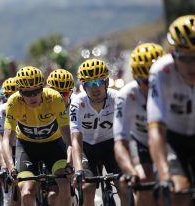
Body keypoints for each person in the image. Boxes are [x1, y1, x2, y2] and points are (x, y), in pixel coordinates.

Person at [2, 66, 73, 206]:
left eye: (36, 91)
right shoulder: (13, 102)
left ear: (42, 88)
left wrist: (70, 163)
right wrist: (10, 167)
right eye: (27, 93)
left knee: (64, 185)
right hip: (27, 148)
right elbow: (6, 140)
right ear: (20, 91)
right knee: (27, 193)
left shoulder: (54, 98)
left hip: (53, 145)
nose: (32, 96)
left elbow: (68, 138)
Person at [147, 15, 195, 206]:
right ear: (173, 54)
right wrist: (165, 174)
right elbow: (155, 129)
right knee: (178, 192)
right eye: (185, 58)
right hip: (173, 140)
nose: (193, 65)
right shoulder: (161, 72)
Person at [113, 43, 165, 206]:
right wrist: (130, 171)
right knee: (143, 180)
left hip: (172, 141)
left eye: (156, 80)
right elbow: (120, 142)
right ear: (135, 78)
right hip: (142, 143)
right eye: (145, 82)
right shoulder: (127, 95)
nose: (152, 87)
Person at [70, 59, 125, 206]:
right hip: (87, 148)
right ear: (83, 86)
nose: (95, 88)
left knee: (124, 186)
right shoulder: (78, 103)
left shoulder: (117, 98)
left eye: (99, 82)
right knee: (87, 188)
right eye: (89, 84)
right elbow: (75, 139)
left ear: (106, 82)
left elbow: (126, 130)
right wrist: (79, 169)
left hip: (111, 145)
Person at [0, 77, 18, 206]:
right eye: (8, 96)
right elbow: (0, 142)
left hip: (24, 145)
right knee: (6, 176)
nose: (12, 99)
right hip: (7, 146)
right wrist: (2, 166)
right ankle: (6, 199)